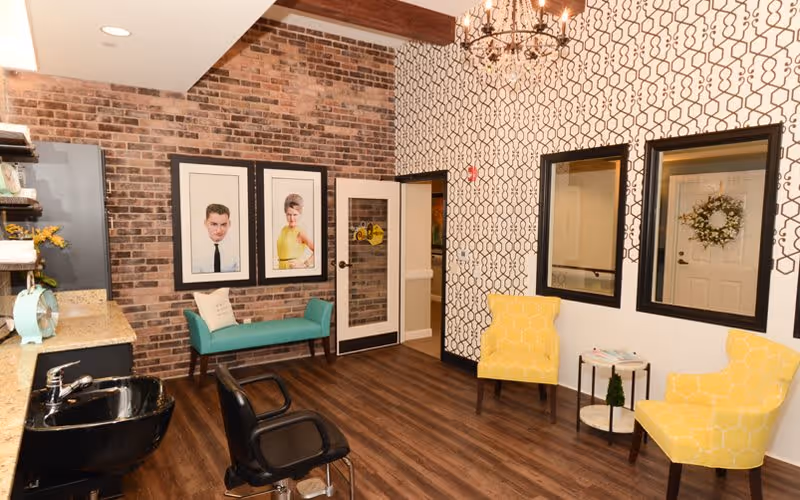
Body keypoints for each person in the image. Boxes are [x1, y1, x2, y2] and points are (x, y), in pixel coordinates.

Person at [191, 203, 240, 274]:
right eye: (214, 224)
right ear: (205, 223)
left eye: (223, 224)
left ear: (229, 224)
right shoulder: (194, 250)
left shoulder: (238, 248)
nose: (219, 230)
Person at [276, 194, 314, 269]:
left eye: (295, 215)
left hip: (293, 271)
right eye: (289, 214)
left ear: (300, 214)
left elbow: (318, 251)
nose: (292, 218)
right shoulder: (283, 229)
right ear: (285, 213)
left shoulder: (300, 232)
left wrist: (304, 264)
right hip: (281, 270)